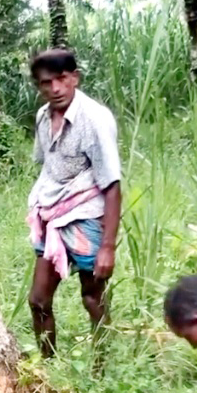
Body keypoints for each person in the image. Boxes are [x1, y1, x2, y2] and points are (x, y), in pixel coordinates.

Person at [25, 49, 121, 357]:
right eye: (46, 83)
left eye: (62, 79)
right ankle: (47, 368)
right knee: (38, 300)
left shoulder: (94, 119)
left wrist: (108, 246)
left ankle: (101, 373)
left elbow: (112, 183)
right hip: (54, 215)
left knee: (92, 299)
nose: (55, 89)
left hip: (89, 216)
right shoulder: (43, 117)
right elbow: (48, 166)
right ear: (38, 87)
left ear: (74, 78)